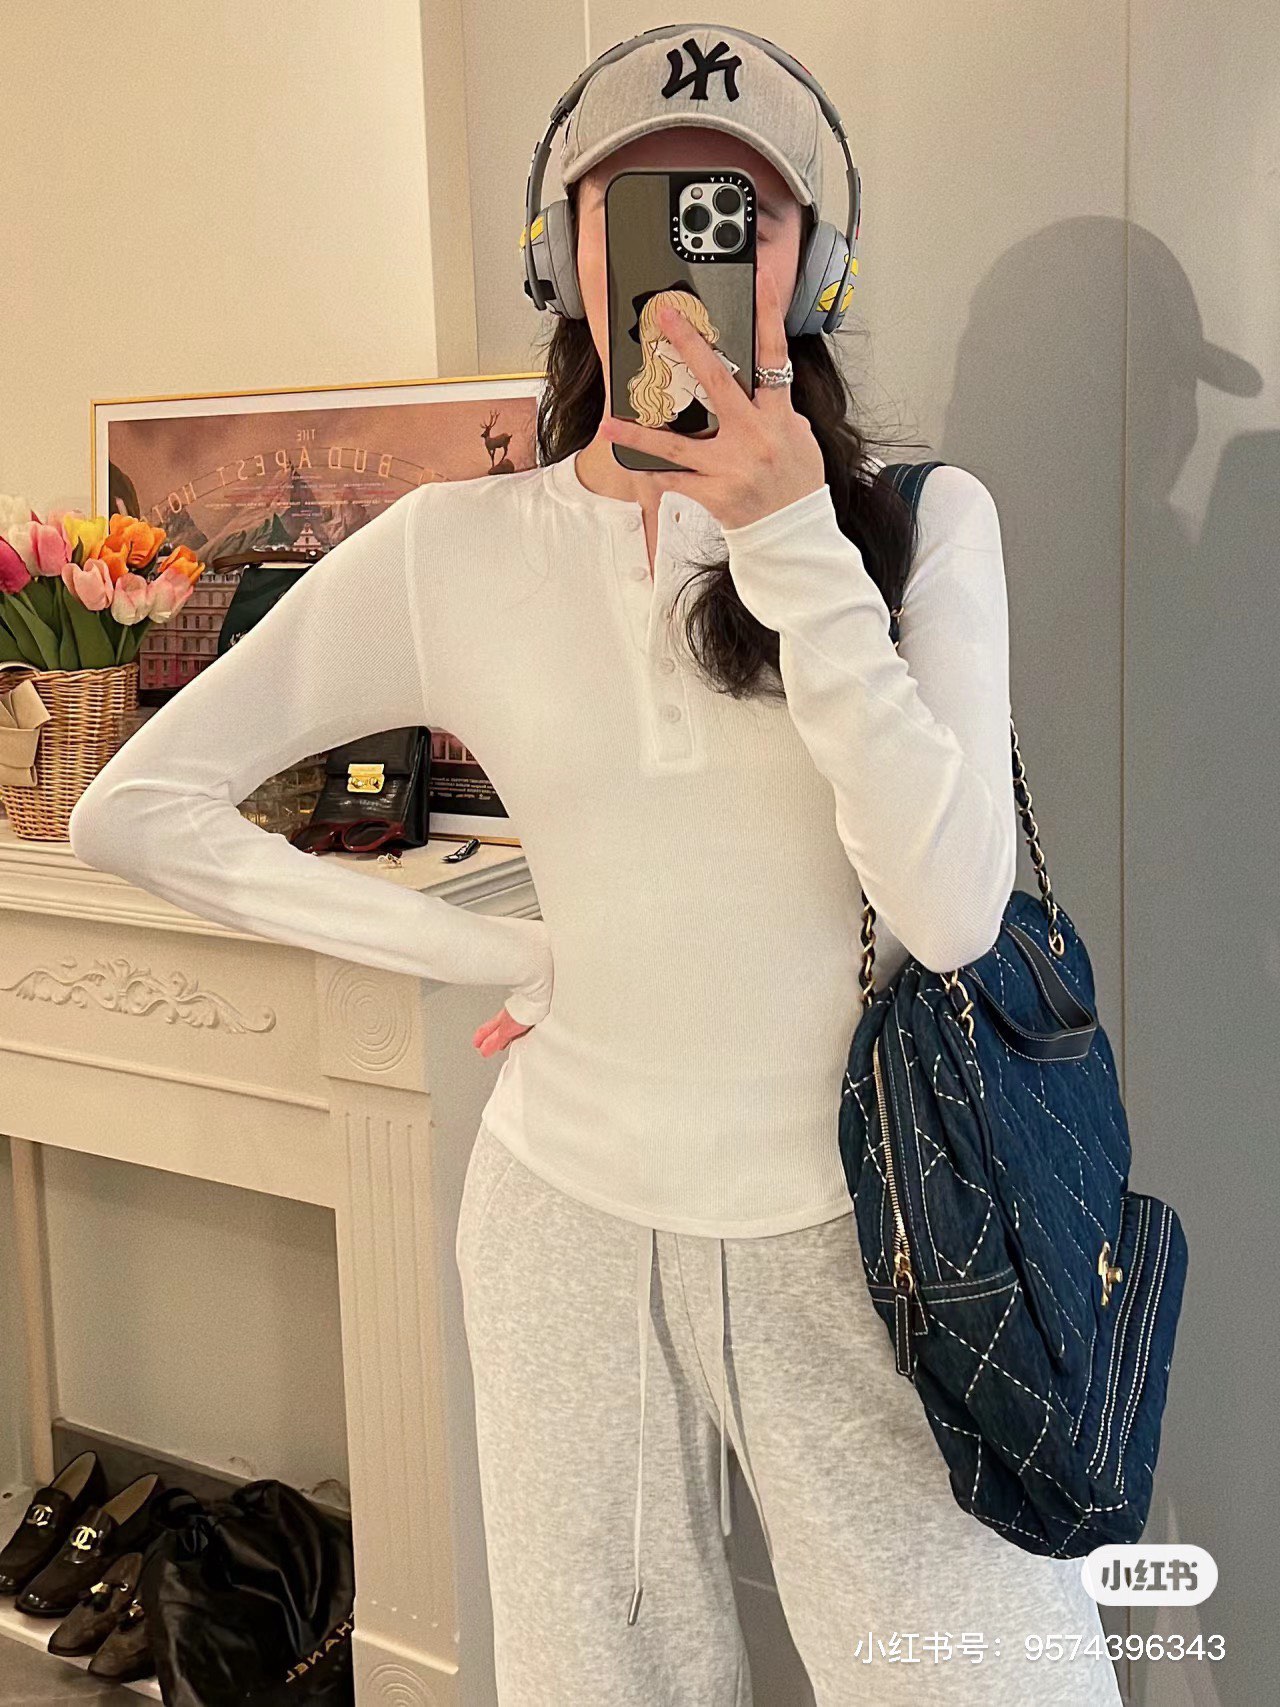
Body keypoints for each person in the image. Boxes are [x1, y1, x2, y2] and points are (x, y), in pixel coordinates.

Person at [68, 23, 1123, 1707]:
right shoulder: (452, 548)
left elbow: (946, 910)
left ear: (816, 265)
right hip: (563, 1225)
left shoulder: (923, 524)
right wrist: (511, 957)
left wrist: (789, 537)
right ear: (563, 255)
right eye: (640, 205)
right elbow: (133, 809)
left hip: (873, 1234)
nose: (695, 252)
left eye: (741, 212)